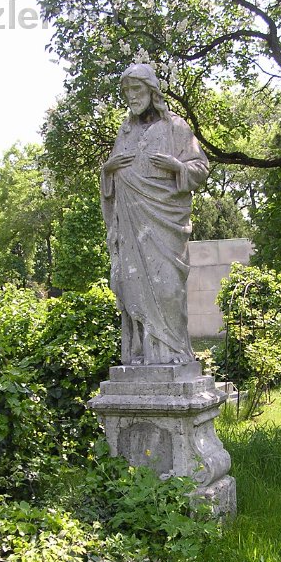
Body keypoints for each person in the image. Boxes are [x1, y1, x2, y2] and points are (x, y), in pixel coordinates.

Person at [101, 63, 209, 365]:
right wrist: (107, 171)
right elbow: (111, 178)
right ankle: (142, 355)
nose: (132, 96)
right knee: (132, 286)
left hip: (165, 222)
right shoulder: (125, 132)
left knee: (168, 288)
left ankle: (173, 353)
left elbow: (201, 168)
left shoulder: (175, 127)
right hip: (130, 225)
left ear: (152, 90)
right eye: (127, 91)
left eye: (137, 89)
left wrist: (178, 167)